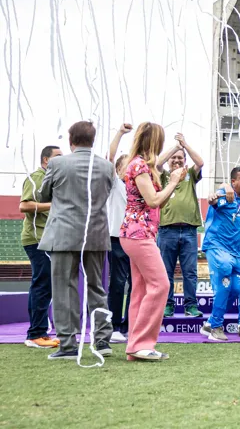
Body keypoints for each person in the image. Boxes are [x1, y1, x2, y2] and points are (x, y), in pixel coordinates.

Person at [38, 121, 116, 361]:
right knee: (97, 287)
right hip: (96, 234)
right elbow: (108, 193)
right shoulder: (107, 166)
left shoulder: (57, 163)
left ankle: (68, 344)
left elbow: (43, 194)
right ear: (93, 140)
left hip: (63, 234)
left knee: (64, 289)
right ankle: (102, 340)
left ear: (71, 139)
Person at [119, 122, 186, 361]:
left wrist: (171, 183)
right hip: (138, 234)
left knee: (141, 290)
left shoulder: (139, 165)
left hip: (138, 233)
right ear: (153, 141)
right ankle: (142, 344)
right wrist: (173, 181)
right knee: (161, 285)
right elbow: (154, 200)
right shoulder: (139, 166)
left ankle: (135, 346)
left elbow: (157, 201)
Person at [200, 167, 240, 341]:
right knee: (223, 286)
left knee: (237, 289)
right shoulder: (226, 194)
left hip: (235, 253)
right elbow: (213, 200)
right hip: (217, 247)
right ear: (233, 182)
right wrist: (215, 195)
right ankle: (216, 328)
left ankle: (210, 322)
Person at [157, 133, 205, 318]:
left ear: (185, 161)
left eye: (180, 158)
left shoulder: (190, 175)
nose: (176, 160)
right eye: (173, 158)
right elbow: (157, 163)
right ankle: (167, 305)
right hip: (167, 229)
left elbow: (200, 162)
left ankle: (190, 306)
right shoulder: (163, 176)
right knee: (165, 272)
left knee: (190, 272)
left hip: (188, 230)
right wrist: (174, 147)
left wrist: (185, 144)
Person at [19, 144, 63, 349]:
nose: (62, 159)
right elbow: (24, 205)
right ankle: (36, 334)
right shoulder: (36, 178)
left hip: (48, 239)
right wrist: (54, 205)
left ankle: (37, 332)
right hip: (37, 239)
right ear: (46, 160)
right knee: (42, 285)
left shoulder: (52, 179)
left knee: (43, 285)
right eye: (58, 156)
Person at [107, 124, 132, 343]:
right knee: (117, 282)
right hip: (116, 237)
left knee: (136, 284)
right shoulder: (115, 184)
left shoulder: (140, 186)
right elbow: (110, 156)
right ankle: (114, 327)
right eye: (127, 165)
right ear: (118, 170)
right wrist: (121, 133)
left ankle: (129, 326)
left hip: (136, 239)